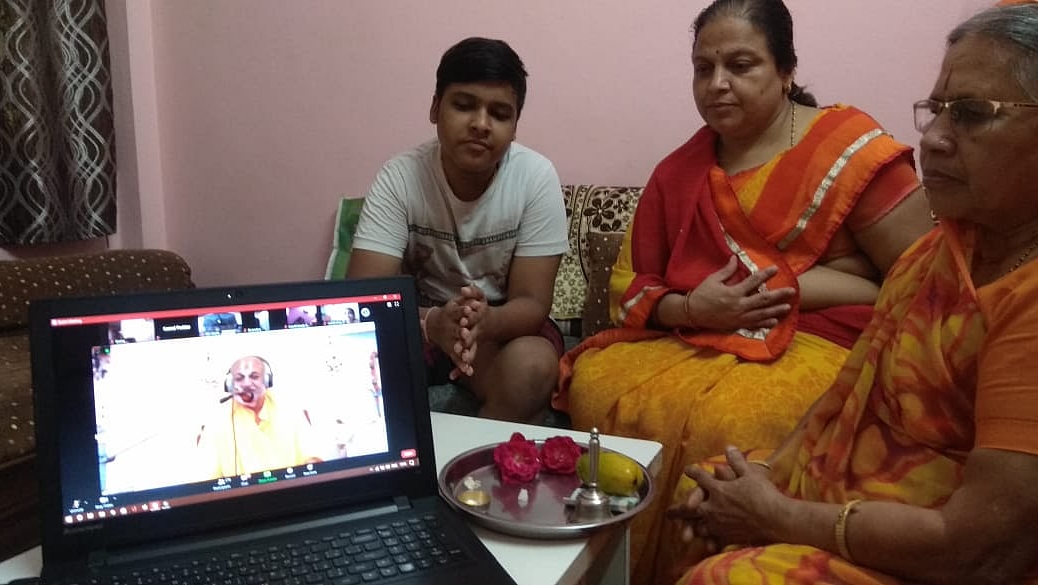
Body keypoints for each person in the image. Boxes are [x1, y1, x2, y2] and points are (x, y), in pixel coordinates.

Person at [551, 0, 934, 581]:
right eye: (703, 68)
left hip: (823, 340)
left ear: (785, 71)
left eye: (740, 64)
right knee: (600, 381)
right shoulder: (681, 170)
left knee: (734, 419)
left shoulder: (848, 148)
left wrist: (796, 284)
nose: (717, 84)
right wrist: (693, 306)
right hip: (701, 329)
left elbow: (920, 281)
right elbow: (632, 289)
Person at [665, 4, 1038, 583]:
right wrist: (764, 479)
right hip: (856, 494)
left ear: (785, 71)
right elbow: (845, 400)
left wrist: (777, 514)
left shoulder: (1027, 298)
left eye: (970, 114)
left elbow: (980, 550)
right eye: (936, 110)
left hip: (938, 547)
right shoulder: (939, 254)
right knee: (707, 488)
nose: (933, 139)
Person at [347, 37, 568, 424]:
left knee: (533, 365)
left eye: (499, 113)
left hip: (500, 324)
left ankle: (472, 465)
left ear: (515, 126)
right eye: (464, 105)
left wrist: (485, 322)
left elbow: (532, 303)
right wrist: (433, 324)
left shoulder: (535, 177)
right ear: (435, 108)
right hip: (415, 321)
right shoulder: (400, 177)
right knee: (349, 357)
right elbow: (364, 297)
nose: (481, 125)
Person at [196, 355, 322, 478]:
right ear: (230, 384)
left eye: (254, 376)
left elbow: (313, 457)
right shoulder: (217, 420)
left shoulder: (290, 408)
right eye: (239, 378)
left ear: (266, 381)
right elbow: (206, 477)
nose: (246, 384)